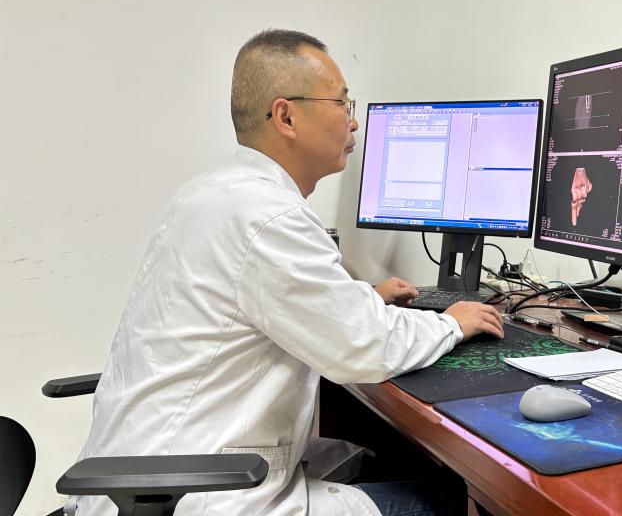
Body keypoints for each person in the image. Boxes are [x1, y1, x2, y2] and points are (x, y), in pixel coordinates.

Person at [66, 29, 504, 516]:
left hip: (161, 464)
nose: (353, 122)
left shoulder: (215, 192)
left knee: (383, 457)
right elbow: (365, 347)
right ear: (286, 116)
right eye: (342, 103)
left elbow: (266, 303)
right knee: (443, 500)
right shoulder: (267, 215)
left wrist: (363, 299)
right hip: (195, 490)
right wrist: (453, 323)